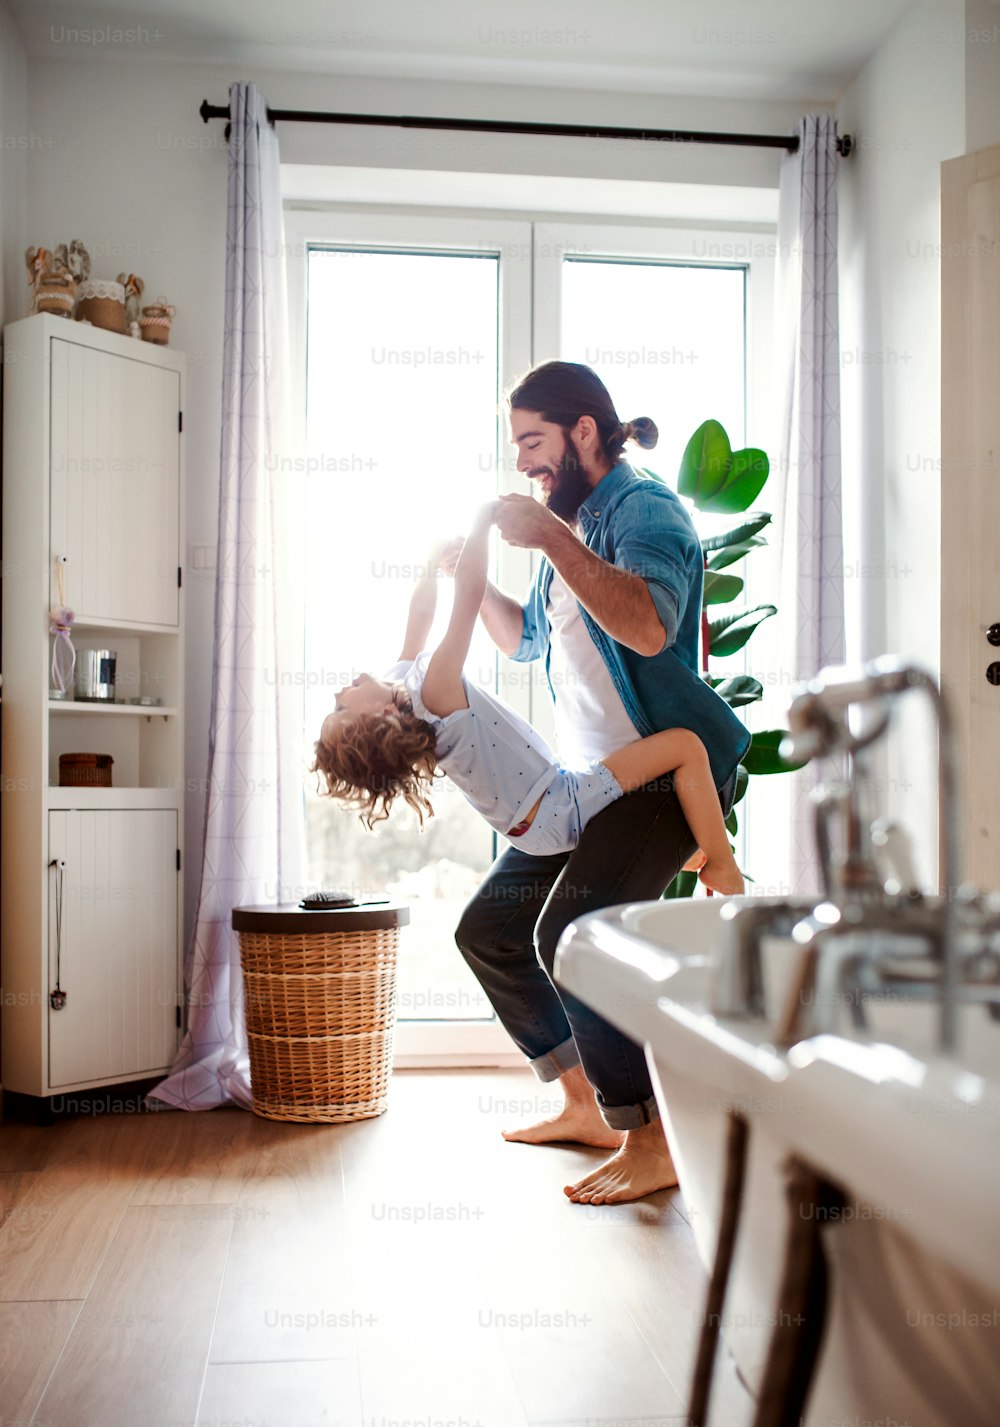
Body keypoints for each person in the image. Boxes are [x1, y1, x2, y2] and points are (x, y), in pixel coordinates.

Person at [449, 361, 752, 1206]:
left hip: (666, 774)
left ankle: (651, 1139)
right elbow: (527, 644)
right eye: (517, 447)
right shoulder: (571, 528)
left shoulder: (642, 509)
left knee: (571, 932)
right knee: (492, 930)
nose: (525, 464)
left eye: (534, 442)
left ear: (585, 430)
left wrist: (550, 540)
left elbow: (651, 628)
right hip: (593, 782)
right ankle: (586, 1104)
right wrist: (469, 589)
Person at [312, 502, 744, 898]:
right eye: (343, 708)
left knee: (646, 778)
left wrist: (429, 563)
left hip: (536, 817)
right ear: (384, 718)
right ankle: (722, 866)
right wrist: (482, 521)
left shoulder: (402, 683)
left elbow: (420, 615)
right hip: (558, 806)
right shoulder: (434, 694)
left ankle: (686, 850)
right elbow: (467, 598)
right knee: (685, 745)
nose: (338, 692)